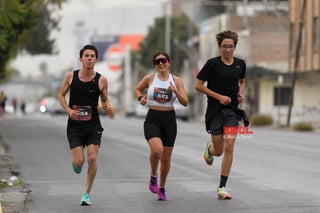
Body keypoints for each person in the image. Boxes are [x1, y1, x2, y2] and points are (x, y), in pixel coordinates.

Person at [195, 30, 248, 200]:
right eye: (224, 46)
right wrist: (218, 97)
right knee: (218, 151)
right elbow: (198, 85)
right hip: (215, 110)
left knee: (230, 144)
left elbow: (242, 80)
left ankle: (222, 187)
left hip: (232, 110)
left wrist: (240, 93)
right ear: (219, 47)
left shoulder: (240, 64)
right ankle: (209, 150)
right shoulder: (212, 64)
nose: (227, 49)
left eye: (230, 46)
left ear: (235, 47)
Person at [58, 44, 113, 206]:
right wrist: (68, 110)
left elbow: (104, 99)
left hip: (93, 124)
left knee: (92, 157)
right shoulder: (71, 76)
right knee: (79, 162)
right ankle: (77, 163)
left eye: (92, 56)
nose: (89, 58)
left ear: (96, 59)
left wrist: (107, 105)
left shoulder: (101, 79)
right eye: (86, 56)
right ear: (81, 59)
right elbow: (60, 96)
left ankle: (86, 194)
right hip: (74, 125)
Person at [135, 52, 188, 201]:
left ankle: (162, 188)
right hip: (153, 118)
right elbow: (137, 89)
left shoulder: (176, 80)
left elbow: (185, 102)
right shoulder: (150, 79)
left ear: (169, 63)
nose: (160, 63)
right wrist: (141, 98)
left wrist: (175, 91)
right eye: (157, 62)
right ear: (154, 65)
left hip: (169, 120)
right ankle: (153, 175)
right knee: (157, 150)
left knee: (166, 158)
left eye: (163, 60)